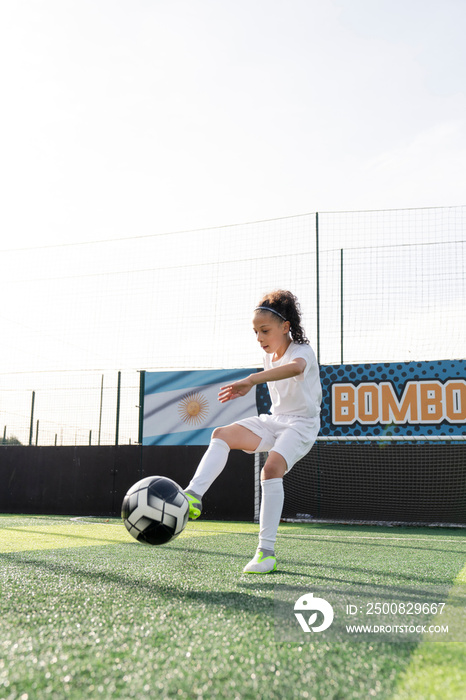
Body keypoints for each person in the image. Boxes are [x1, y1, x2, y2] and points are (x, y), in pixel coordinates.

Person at [184, 290, 322, 574]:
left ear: (285, 327)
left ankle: (266, 553)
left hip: (302, 424)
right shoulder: (268, 357)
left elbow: (294, 369)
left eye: (265, 330)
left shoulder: (302, 352)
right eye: (255, 331)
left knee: (270, 470)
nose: (259, 337)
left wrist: (250, 381)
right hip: (276, 420)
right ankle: (193, 496)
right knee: (221, 434)